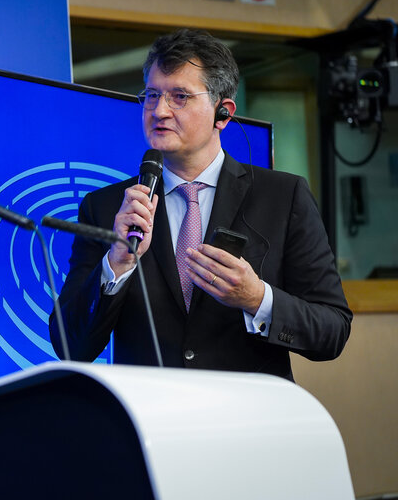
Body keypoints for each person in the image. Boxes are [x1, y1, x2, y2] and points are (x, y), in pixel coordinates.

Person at [50, 29, 351, 380]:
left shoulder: (284, 197)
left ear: (222, 113)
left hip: (249, 422)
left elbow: (332, 331)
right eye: (151, 95)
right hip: (152, 423)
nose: (159, 111)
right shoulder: (106, 208)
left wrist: (257, 299)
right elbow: (70, 346)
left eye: (179, 96)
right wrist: (117, 263)